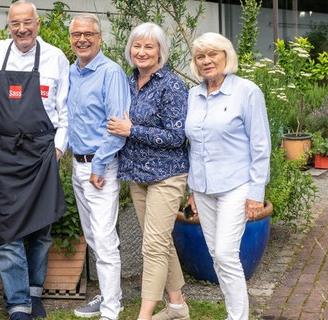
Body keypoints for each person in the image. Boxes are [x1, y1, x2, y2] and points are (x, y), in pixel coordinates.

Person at [0, 1, 69, 319]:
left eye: (27, 22)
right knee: (8, 229)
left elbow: (65, 110)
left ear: (38, 23)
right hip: (5, 153)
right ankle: (17, 301)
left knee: (42, 229)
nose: (22, 29)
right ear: (8, 25)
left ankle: (33, 293)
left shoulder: (56, 57)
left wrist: (57, 150)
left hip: (42, 151)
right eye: (15, 23)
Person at [185, 32, 271, 320]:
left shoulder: (247, 91)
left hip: (236, 184)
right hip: (203, 187)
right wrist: (191, 190)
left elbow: (260, 146)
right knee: (217, 256)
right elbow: (194, 145)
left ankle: (238, 317)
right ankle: (234, 313)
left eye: (213, 54)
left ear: (226, 56)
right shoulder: (193, 95)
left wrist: (255, 193)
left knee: (225, 253)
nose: (207, 60)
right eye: (201, 56)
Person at [107, 22, 190, 320]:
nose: (141, 52)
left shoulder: (172, 86)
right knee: (159, 241)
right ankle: (178, 307)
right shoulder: (126, 81)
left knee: (153, 246)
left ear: (160, 52)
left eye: (149, 46)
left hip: (167, 175)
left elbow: (176, 136)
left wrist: (132, 129)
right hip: (137, 175)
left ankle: (144, 315)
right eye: (137, 46)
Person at [67, 13, 130, 320]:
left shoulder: (110, 72)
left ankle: (111, 311)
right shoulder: (73, 72)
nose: (82, 39)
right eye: (76, 34)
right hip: (79, 165)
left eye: (88, 34)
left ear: (99, 37)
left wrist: (99, 166)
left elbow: (118, 126)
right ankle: (108, 295)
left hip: (101, 167)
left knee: (105, 240)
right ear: (71, 39)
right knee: (92, 237)